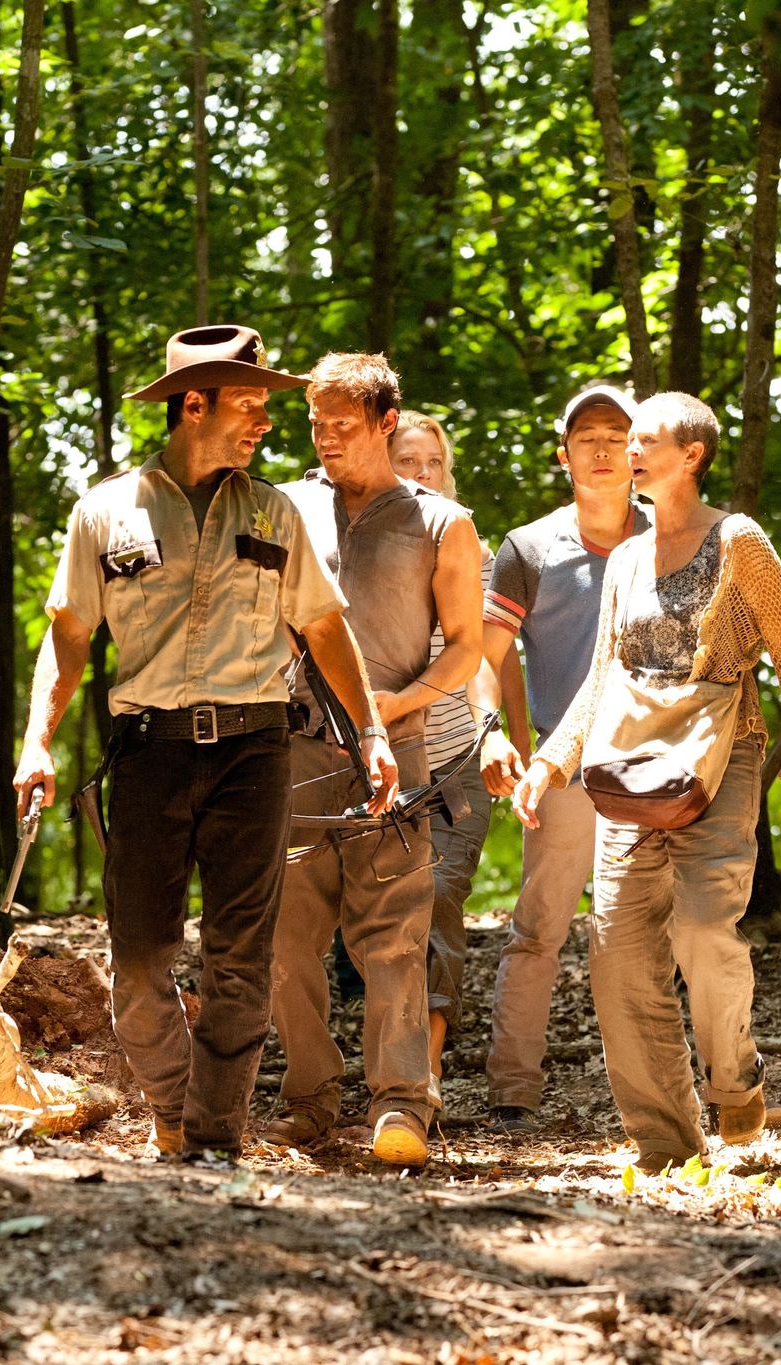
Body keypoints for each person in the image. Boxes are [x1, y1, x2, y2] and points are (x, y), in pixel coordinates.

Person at [13, 325, 399, 1162]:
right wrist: (35, 741)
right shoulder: (105, 511)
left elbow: (326, 629)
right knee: (142, 969)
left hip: (254, 754)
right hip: (148, 754)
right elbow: (70, 636)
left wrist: (369, 729)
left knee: (239, 963)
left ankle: (213, 1135)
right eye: (251, 406)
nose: (266, 422)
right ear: (196, 405)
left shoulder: (277, 512)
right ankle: (173, 1102)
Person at [511, 391, 781, 1172]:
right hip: (629, 770)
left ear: (692, 455)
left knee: (702, 930)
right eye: (624, 439)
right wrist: (551, 759)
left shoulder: (739, 541)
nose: (629, 450)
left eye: (644, 439)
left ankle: (735, 1082)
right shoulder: (623, 557)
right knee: (616, 951)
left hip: (723, 759)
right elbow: (601, 676)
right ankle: (666, 1140)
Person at [265, 355, 483, 1167]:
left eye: (342, 426)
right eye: (315, 424)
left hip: (400, 750)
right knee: (288, 937)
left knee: (394, 936)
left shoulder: (441, 523)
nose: (325, 438)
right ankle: (310, 1100)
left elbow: (464, 649)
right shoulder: (287, 505)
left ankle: (401, 1105)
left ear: (387, 422)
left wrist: (386, 711)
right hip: (292, 748)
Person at [473, 384, 647, 1129]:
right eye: (588, 437)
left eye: (618, 435)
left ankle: (656, 1094)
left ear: (639, 452)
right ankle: (513, 1088)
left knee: (643, 934)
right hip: (563, 772)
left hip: (656, 775)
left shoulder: (672, 537)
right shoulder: (530, 548)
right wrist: (490, 729)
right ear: (564, 454)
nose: (603, 449)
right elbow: (485, 654)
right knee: (539, 927)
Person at [387, 411, 495, 1114]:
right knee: (387, 915)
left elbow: (486, 653)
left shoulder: (468, 544)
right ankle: (386, 1058)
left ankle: (424, 1067)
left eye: (433, 461)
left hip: (457, 756)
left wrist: (501, 732)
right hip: (383, 761)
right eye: (408, 460)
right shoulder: (354, 545)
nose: (423, 473)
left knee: (441, 896)